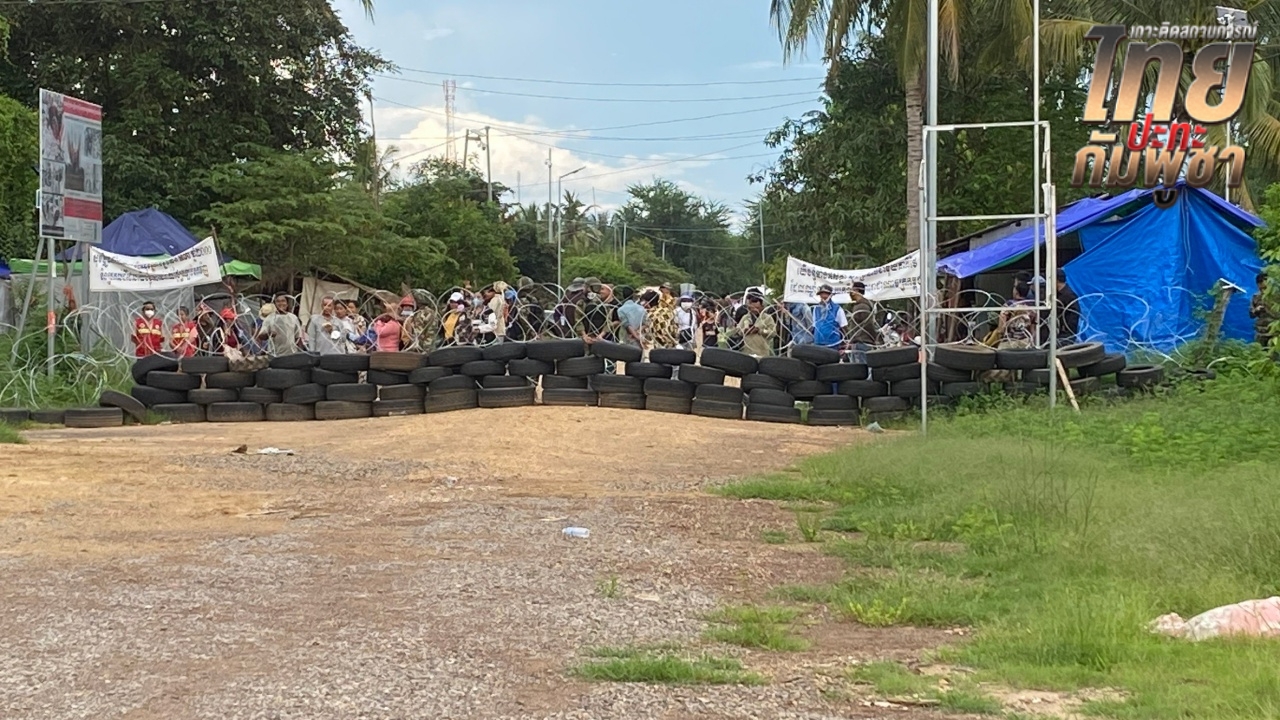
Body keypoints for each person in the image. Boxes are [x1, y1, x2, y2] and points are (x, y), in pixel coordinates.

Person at [981, 281, 1038, 383]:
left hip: (1009, 341)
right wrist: (1031, 342)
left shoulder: (1009, 305)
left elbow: (1001, 328)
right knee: (1022, 366)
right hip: (1025, 341)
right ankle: (1020, 382)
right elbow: (1033, 329)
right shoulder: (1032, 307)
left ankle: (999, 381)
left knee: (1000, 362)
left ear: (1016, 292)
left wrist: (995, 338)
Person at [737, 293, 776, 358]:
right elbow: (738, 330)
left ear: (762, 307)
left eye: (757, 308)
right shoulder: (745, 317)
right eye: (752, 308)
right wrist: (745, 330)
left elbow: (773, 333)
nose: (755, 310)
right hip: (747, 351)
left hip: (762, 352)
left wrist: (760, 331)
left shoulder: (767, 318)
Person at [847, 282, 877, 363]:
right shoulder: (859, 305)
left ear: (856, 290)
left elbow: (868, 324)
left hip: (862, 342)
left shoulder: (862, 306)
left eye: (852, 290)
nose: (850, 293)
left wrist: (873, 338)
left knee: (861, 367)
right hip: (860, 342)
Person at [812, 284, 848, 351]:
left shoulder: (837, 309)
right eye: (821, 294)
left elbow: (844, 326)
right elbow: (814, 326)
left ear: (830, 295)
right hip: (818, 343)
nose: (823, 296)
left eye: (825, 294)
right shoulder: (816, 309)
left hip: (833, 344)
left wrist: (844, 342)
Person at [1250, 271, 1276, 349]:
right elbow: (1251, 314)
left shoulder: (1276, 297)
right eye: (1260, 288)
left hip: (1275, 333)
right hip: (1260, 332)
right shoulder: (1256, 297)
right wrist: (1256, 310)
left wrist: (1267, 308)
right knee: (1259, 352)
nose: (1263, 291)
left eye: (1265, 288)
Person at [1055, 269, 1080, 345]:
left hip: (1065, 334)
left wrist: (1065, 329)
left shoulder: (1068, 295)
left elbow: (1074, 314)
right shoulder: (1058, 294)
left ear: (1056, 280)